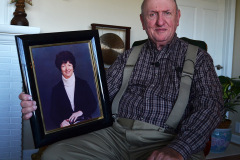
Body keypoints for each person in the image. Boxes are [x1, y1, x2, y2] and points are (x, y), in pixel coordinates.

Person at [19, 0, 224, 159]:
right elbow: (98, 98)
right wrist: (40, 106)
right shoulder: (128, 56)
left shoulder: (199, 58)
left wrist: (180, 148)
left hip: (166, 139)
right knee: (55, 155)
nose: (160, 22)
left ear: (177, 17)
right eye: (152, 14)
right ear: (143, 21)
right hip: (114, 135)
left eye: (167, 13)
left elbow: (211, 105)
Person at [50, 51, 98, 128]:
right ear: (60, 68)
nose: (67, 69)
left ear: (73, 66)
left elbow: (93, 104)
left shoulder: (83, 84)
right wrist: (61, 122)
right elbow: (53, 113)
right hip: (67, 128)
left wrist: (80, 112)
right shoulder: (56, 89)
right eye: (63, 66)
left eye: (69, 65)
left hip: (85, 124)